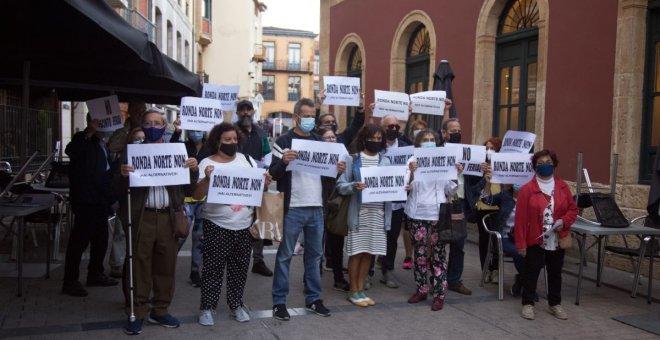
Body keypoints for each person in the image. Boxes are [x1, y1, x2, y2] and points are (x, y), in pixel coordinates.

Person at [118, 108, 199, 335]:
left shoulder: (177, 152)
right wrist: (122, 175)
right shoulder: (131, 152)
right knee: (140, 265)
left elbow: (190, 188)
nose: (153, 126)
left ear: (165, 127)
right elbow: (115, 188)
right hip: (142, 216)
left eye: (157, 122)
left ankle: (160, 309)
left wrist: (193, 170)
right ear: (142, 126)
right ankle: (138, 311)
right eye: (148, 122)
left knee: (166, 265)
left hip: (167, 217)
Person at [269, 98, 345, 320]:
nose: (311, 120)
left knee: (314, 256)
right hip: (292, 208)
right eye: (307, 116)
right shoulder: (283, 141)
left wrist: (337, 170)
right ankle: (279, 302)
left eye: (313, 116)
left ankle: (313, 298)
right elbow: (273, 174)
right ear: (296, 117)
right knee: (285, 256)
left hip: (316, 208)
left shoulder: (319, 142)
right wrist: (283, 161)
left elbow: (328, 179)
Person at [194, 123, 272, 325]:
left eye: (234, 140)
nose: (232, 143)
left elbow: (258, 189)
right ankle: (207, 308)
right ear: (217, 141)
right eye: (227, 140)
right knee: (213, 269)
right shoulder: (206, 164)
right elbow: (196, 195)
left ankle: (236, 304)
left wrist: (265, 183)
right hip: (216, 224)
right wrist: (207, 179)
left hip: (244, 225)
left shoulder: (247, 161)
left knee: (239, 269)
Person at [515, 149, 577, 321]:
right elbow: (520, 219)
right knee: (532, 271)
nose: (545, 166)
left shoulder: (563, 187)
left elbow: (573, 210)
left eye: (548, 163)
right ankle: (527, 304)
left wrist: (564, 221)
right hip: (535, 238)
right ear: (535, 167)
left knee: (555, 272)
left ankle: (555, 304)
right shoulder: (527, 190)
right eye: (540, 163)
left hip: (557, 237)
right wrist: (520, 243)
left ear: (554, 165)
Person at [62, 113, 118, 297]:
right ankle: (70, 281)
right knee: (80, 240)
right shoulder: (83, 139)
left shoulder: (102, 143)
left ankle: (96, 273)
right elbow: (71, 150)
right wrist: (89, 131)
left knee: (101, 239)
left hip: (100, 199)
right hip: (85, 200)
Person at [336, 124, 391, 307]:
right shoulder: (353, 159)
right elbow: (340, 186)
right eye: (372, 138)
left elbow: (392, 185)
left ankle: (361, 290)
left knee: (369, 253)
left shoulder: (385, 162)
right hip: (359, 214)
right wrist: (353, 186)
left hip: (379, 213)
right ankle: (353, 290)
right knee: (356, 253)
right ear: (364, 138)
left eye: (378, 139)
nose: (375, 142)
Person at [404, 129, 460, 311]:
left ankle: (439, 294)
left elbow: (451, 190)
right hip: (418, 214)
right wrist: (412, 173)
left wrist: (456, 174)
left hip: (438, 214)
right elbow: (405, 187)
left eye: (432, 140)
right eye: (425, 140)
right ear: (418, 144)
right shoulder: (412, 161)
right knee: (419, 255)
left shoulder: (444, 161)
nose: (429, 142)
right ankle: (421, 289)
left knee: (438, 256)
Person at [235, 99, 274, 277]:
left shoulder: (261, 133)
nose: (245, 113)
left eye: (248, 110)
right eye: (241, 110)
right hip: (237, 185)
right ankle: (235, 258)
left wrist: (266, 173)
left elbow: (267, 155)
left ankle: (258, 260)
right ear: (237, 113)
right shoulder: (232, 131)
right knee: (238, 220)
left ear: (253, 112)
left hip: (257, 184)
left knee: (258, 222)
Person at [375, 114, 410, 289]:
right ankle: (367, 271)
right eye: (390, 126)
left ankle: (387, 270)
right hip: (377, 201)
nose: (394, 129)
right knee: (374, 235)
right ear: (382, 127)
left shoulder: (406, 147)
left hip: (397, 202)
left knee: (392, 238)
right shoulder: (375, 146)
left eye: (396, 126)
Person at [439, 117, 473, 296]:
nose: (456, 134)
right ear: (444, 133)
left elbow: (474, 180)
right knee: (439, 242)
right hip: (442, 203)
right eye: (453, 131)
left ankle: (454, 279)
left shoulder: (467, 152)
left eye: (459, 131)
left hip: (460, 203)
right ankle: (437, 278)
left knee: (459, 243)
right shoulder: (437, 152)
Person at [318, 127, 350, 292]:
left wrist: (342, 172)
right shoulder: (315, 156)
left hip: (336, 205)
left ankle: (338, 277)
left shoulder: (343, 155)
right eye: (326, 138)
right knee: (316, 244)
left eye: (333, 138)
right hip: (318, 203)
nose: (330, 140)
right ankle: (312, 278)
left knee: (337, 243)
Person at [177, 129, 210, 287]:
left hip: (204, 199)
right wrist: (176, 133)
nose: (196, 132)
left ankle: (195, 271)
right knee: (180, 235)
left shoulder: (210, 148)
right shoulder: (181, 146)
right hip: (186, 198)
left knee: (200, 236)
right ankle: (165, 266)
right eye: (192, 129)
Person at [470, 137, 503, 283]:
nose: (490, 151)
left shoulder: (503, 166)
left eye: (493, 148)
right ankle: (486, 269)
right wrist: (483, 175)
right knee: (484, 240)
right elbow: (474, 188)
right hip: (483, 207)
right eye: (487, 148)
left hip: (498, 207)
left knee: (497, 240)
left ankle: (496, 269)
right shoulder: (480, 167)